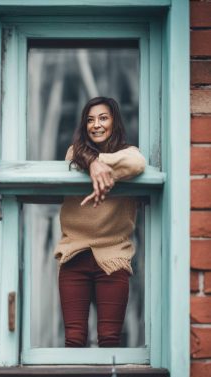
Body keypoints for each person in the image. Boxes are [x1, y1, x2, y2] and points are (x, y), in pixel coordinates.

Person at [54, 97, 145, 348]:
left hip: (113, 256)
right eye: (90, 120)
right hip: (74, 254)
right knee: (74, 340)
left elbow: (137, 163)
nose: (96, 125)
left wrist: (100, 164)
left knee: (109, 339)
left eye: (103, 118)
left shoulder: (129, 155)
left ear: (114, 122)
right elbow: (76, 153)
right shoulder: (76, 155)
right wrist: (92, 163)